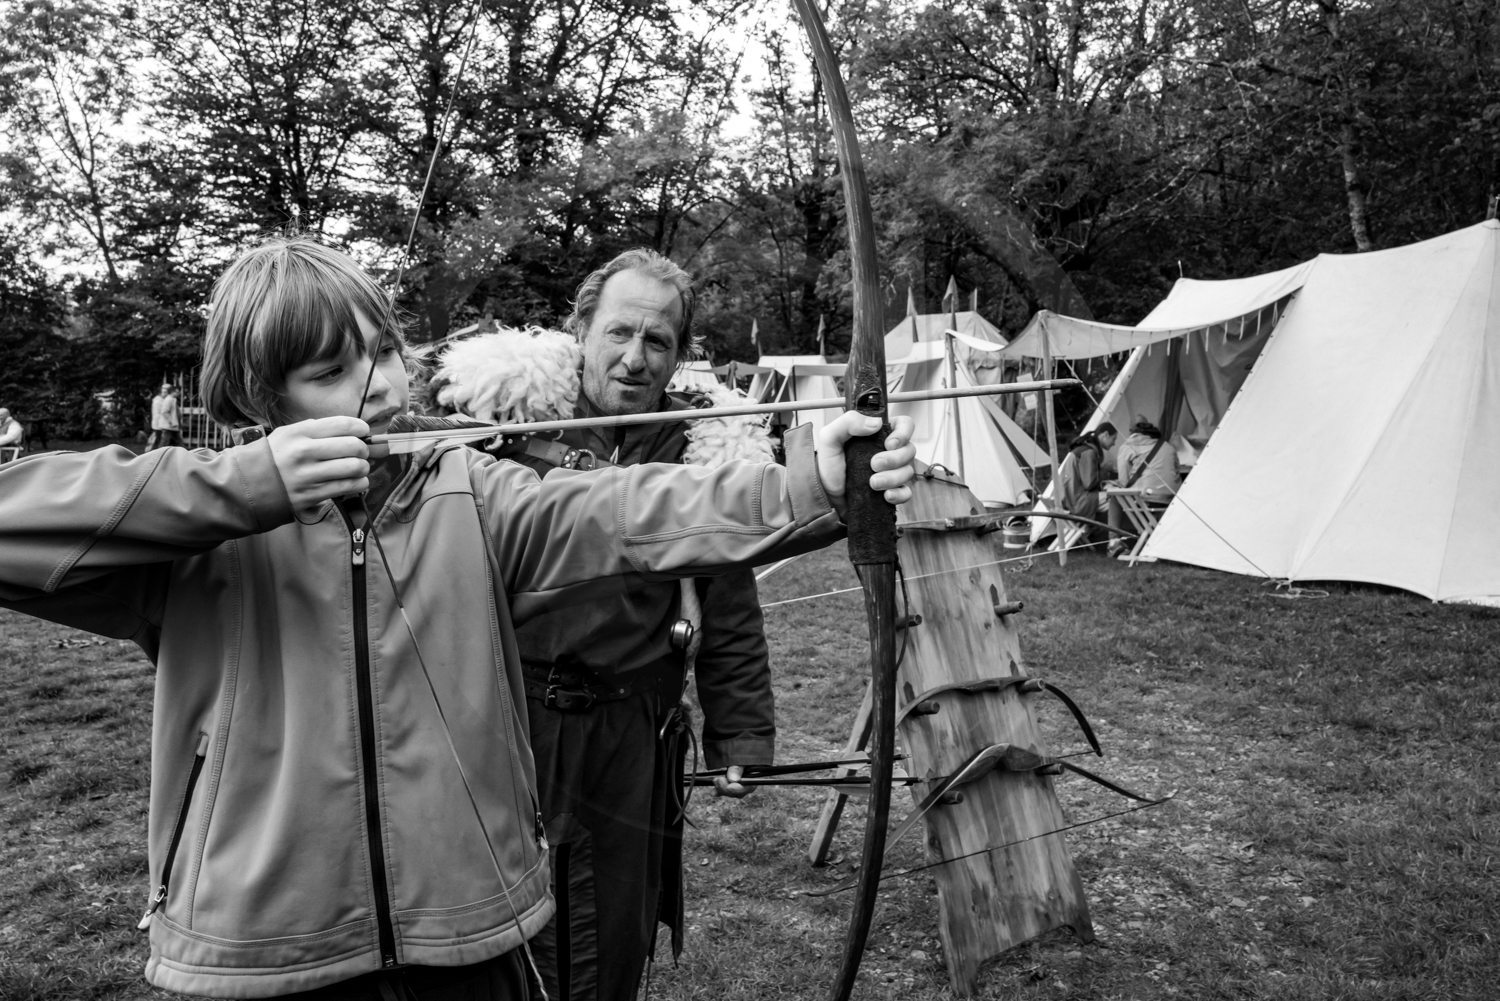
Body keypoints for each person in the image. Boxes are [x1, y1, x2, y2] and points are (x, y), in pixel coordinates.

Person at [0, 236, 917, 1000]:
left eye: (386, 352)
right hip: (266, 939)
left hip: (468, 929)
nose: (380, 387)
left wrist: (808, 481)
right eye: (332, 370)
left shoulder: (464, 489)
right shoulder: (202, 531)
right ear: (261, 395)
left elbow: (619, 515)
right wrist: (248, 487)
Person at [452, 249, 780, 1001]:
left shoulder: (704, 447)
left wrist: (742, 732)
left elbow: (727, 604)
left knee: (611, 936)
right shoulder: (505, 416)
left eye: (658, 341)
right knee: (493, 923)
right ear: (580, 328)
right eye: (619, 332)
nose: (635, 358)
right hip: (506, 716)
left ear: (679, 355)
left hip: (634, 730)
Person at [1107, 417, 1181, 556]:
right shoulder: (1167, 446)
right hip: (1170, 498)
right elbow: (1177, 471)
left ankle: (1114, 542)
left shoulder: (1128, 446)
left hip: (1144, 497)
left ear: (1131, 431)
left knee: (1115, 498)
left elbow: (1123, 481)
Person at [1057, 421, 1116, 523]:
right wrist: (1105, 472)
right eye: (1113, 439)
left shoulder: (1083, 448)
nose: (1114, 443)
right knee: (1116, 500)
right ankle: (1114, 535)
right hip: (1079, 503)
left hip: (1070, 501)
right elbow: (1089, 484)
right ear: (1105, 435)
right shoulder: (1088, 452)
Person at [148, 383, 183, 449]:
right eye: (164, 392)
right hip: (166, 425)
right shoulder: (164, 400)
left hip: (169, 425)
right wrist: (171, 422)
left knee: (173, 442)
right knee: (164, 443)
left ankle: (182, 452)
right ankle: (159, 454)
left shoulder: (171, 399)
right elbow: (162, 412)